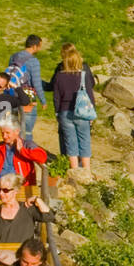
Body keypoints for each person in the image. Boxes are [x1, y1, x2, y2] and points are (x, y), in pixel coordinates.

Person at [0, 114, 47, 200]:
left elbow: (42, 157)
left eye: (7, 133)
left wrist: (22, 150)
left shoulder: (27, 145)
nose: (4, 136)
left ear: (17, 131)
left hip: (20, 186)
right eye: (2, 133)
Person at [53, 44, 95, 173]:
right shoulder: (82, 75)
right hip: (81, 112)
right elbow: (89, 94)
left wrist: (57, 113)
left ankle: (74, 170)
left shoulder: (59, 76)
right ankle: (86, 171)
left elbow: (56, 97)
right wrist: (92, 113)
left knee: (70, 142)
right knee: (84, 140)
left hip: (65, 113)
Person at [0, 173, 51, 245]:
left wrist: (37, 199)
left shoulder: (28, 208)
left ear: (16, 191)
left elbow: (49, 216)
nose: (1, 193)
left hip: (25, 254)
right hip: (2, 254)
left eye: (5, 190)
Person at [7, 35, 46, 144]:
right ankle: (25, 152)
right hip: (27, 96)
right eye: (39, 46)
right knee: (27, 130)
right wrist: (43, 100)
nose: (39, 49)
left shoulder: (13, 56)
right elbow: (36, 83)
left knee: (14, 127)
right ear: (34, 46)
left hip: (12, 95)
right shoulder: (34, 61)